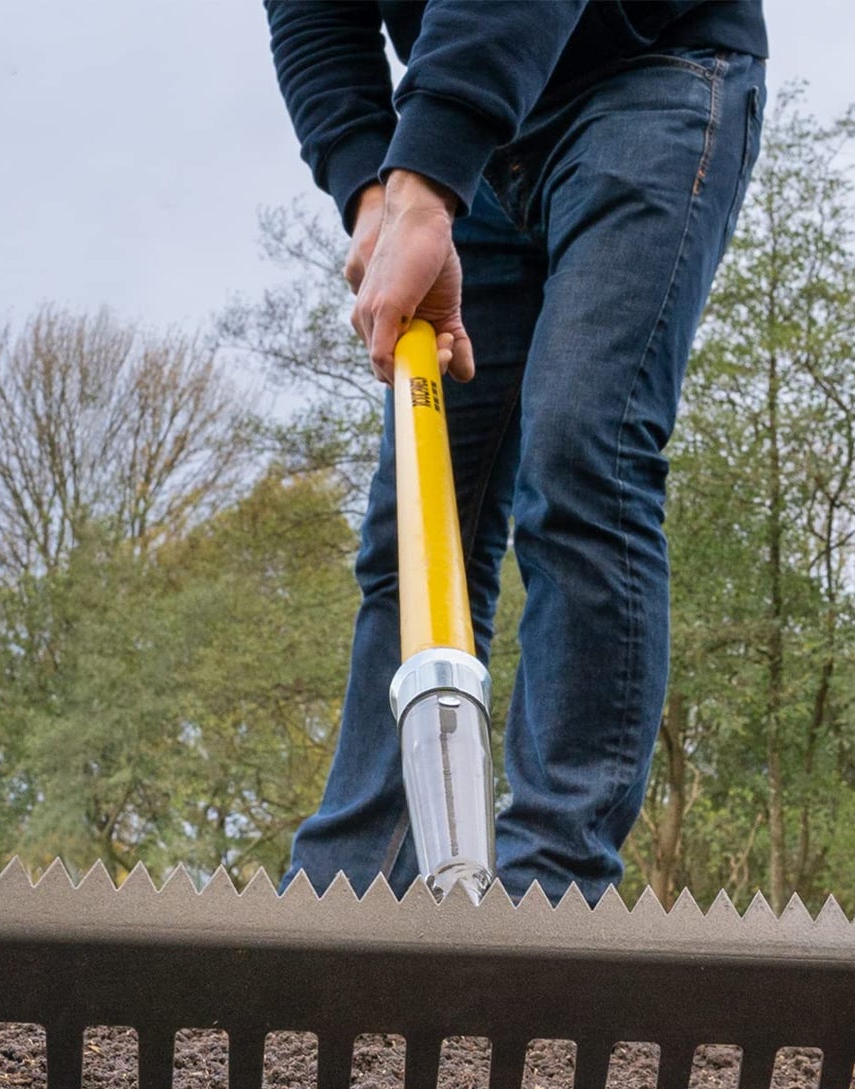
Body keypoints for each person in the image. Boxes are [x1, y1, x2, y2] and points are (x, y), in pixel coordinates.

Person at [266, 0, 767, 904]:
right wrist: (374, 191)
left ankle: (553, 888)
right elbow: (315, 16)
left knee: (583, 452)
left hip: (651, 68)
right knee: (418, 530)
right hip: (474, 151)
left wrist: (424, 178)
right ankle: (353, 891)